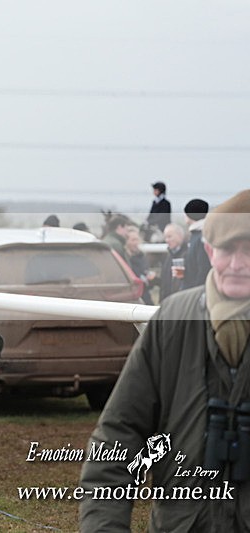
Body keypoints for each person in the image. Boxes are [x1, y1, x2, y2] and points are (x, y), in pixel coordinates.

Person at [79, 189, 250, 531]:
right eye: (227, 249)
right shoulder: (173, 320)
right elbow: (119, 433)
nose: (237, 264)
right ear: (209, 251)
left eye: (249, 251)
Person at [182, 198, 210, 290]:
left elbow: (203, 268)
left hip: (196, 290)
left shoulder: (201, 237)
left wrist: (197, 292)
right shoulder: (196, 234)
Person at [125, 226, 155, 305]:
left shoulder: (142, 257)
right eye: (133, 240)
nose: (136, 243)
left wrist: (151, 279)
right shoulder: (125, 260)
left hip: (145, 297)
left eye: (137, 239)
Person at [159, 222, 188, 302]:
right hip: (167, 301)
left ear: (180, 236)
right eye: (165, 237)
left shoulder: (188, 256)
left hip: (181, 301)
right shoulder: (168, 257)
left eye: (169, 236)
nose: (167, 240)